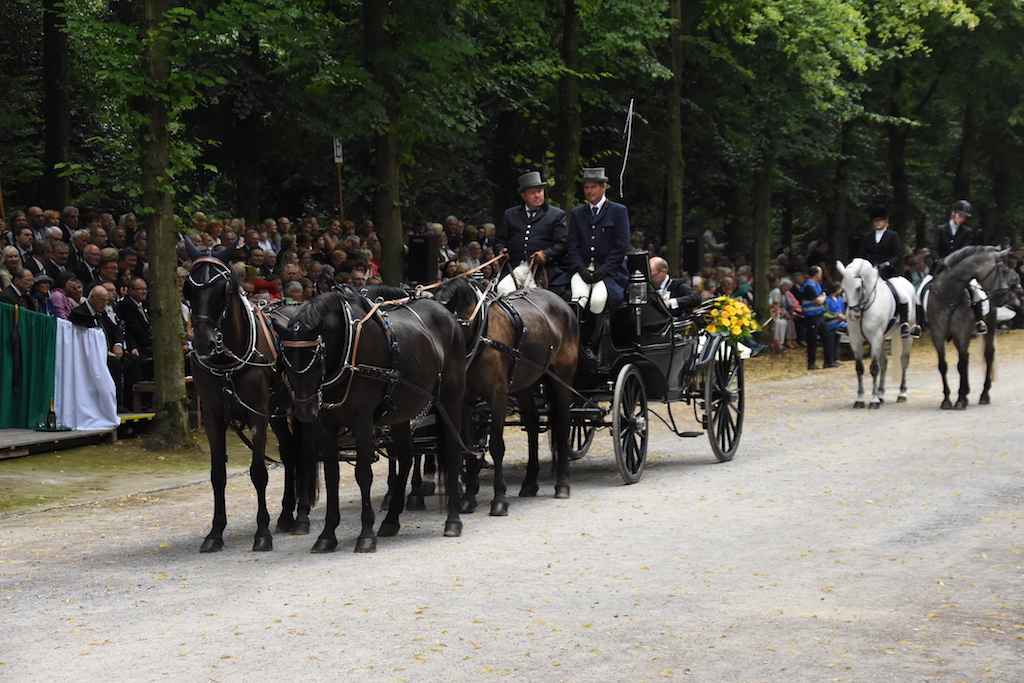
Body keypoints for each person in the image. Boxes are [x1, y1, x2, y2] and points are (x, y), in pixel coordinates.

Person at [559, 167, 630, 367]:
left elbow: (621, 245)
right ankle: (573, 341)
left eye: (593, 187)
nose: (589, 191)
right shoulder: (578, 213)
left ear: (603, 188)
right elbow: (572, 245)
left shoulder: (618, 211)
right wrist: (580, 267)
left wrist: (605, 270)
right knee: (577, 300)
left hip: (608, 271)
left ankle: (590, 345)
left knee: (598, 300)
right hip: (583, 269)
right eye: (586, 188)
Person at [69, 285, 141, 412]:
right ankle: (115, 402)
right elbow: (82, 340)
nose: (105, 304)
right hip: (90, 354)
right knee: (113, 362)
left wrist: (118, 345)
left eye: (106, 301)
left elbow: (116, 330)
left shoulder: (101, 313)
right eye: (102, 300)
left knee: (134, 360)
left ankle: (130, 402)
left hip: (110, 351)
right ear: (92, 298)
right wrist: (104, 352)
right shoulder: (79, 314)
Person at [494, 170, 567, 294]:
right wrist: (501, 251)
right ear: (523, 195)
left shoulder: (556, 215)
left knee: (533, 298)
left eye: (540, 191)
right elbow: (500, 241)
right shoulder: (510, 214)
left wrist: (546, 254)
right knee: (502, 290)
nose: (537, 195)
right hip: (514, 268)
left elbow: (563, 243)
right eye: (533, 192)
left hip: (541, 271)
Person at [860, 205, 920, 338]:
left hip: (888, 274)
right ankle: (848, 323)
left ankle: (904, 323)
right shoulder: (867, 237)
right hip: (872, 275)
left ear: (886, 220)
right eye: (875, 220)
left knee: (903, 295)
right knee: (855, 292)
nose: (877, 223)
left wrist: (888, 263)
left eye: (880, 220)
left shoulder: (893, 235)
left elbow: (897, 255)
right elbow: (863, 255)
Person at [931, 200, 986, 335]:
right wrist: (939, 261)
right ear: (953, 213)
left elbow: (965, 251)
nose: (962, 219)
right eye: (960, 216)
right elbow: (934, 248)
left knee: (975, 293)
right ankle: (919, 324)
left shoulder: (967, 232)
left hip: (959, 271)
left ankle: (979, 321)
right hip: (940, 267)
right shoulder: (941, 229)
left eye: (964, 217)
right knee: (922, 291)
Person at [800, 265, 836, 370]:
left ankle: (829, 361)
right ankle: (811, 363)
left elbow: (820, 298)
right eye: (820, 272)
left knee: (827, 336)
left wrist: (822, 297)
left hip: (819, 315)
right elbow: (818, 300)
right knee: (812, 339)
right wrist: (823, 297)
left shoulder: (816, 285)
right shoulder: (808, 286)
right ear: (816, 275)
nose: (822, 274)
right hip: (811, 316)